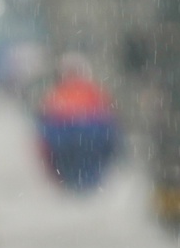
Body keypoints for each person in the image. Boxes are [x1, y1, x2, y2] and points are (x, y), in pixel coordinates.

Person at [37, 53, 119, 192]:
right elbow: (110, 127)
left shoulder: (56, 94)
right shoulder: (94, 92)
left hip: (70, 140)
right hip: (87, 139)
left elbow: (45, 130)